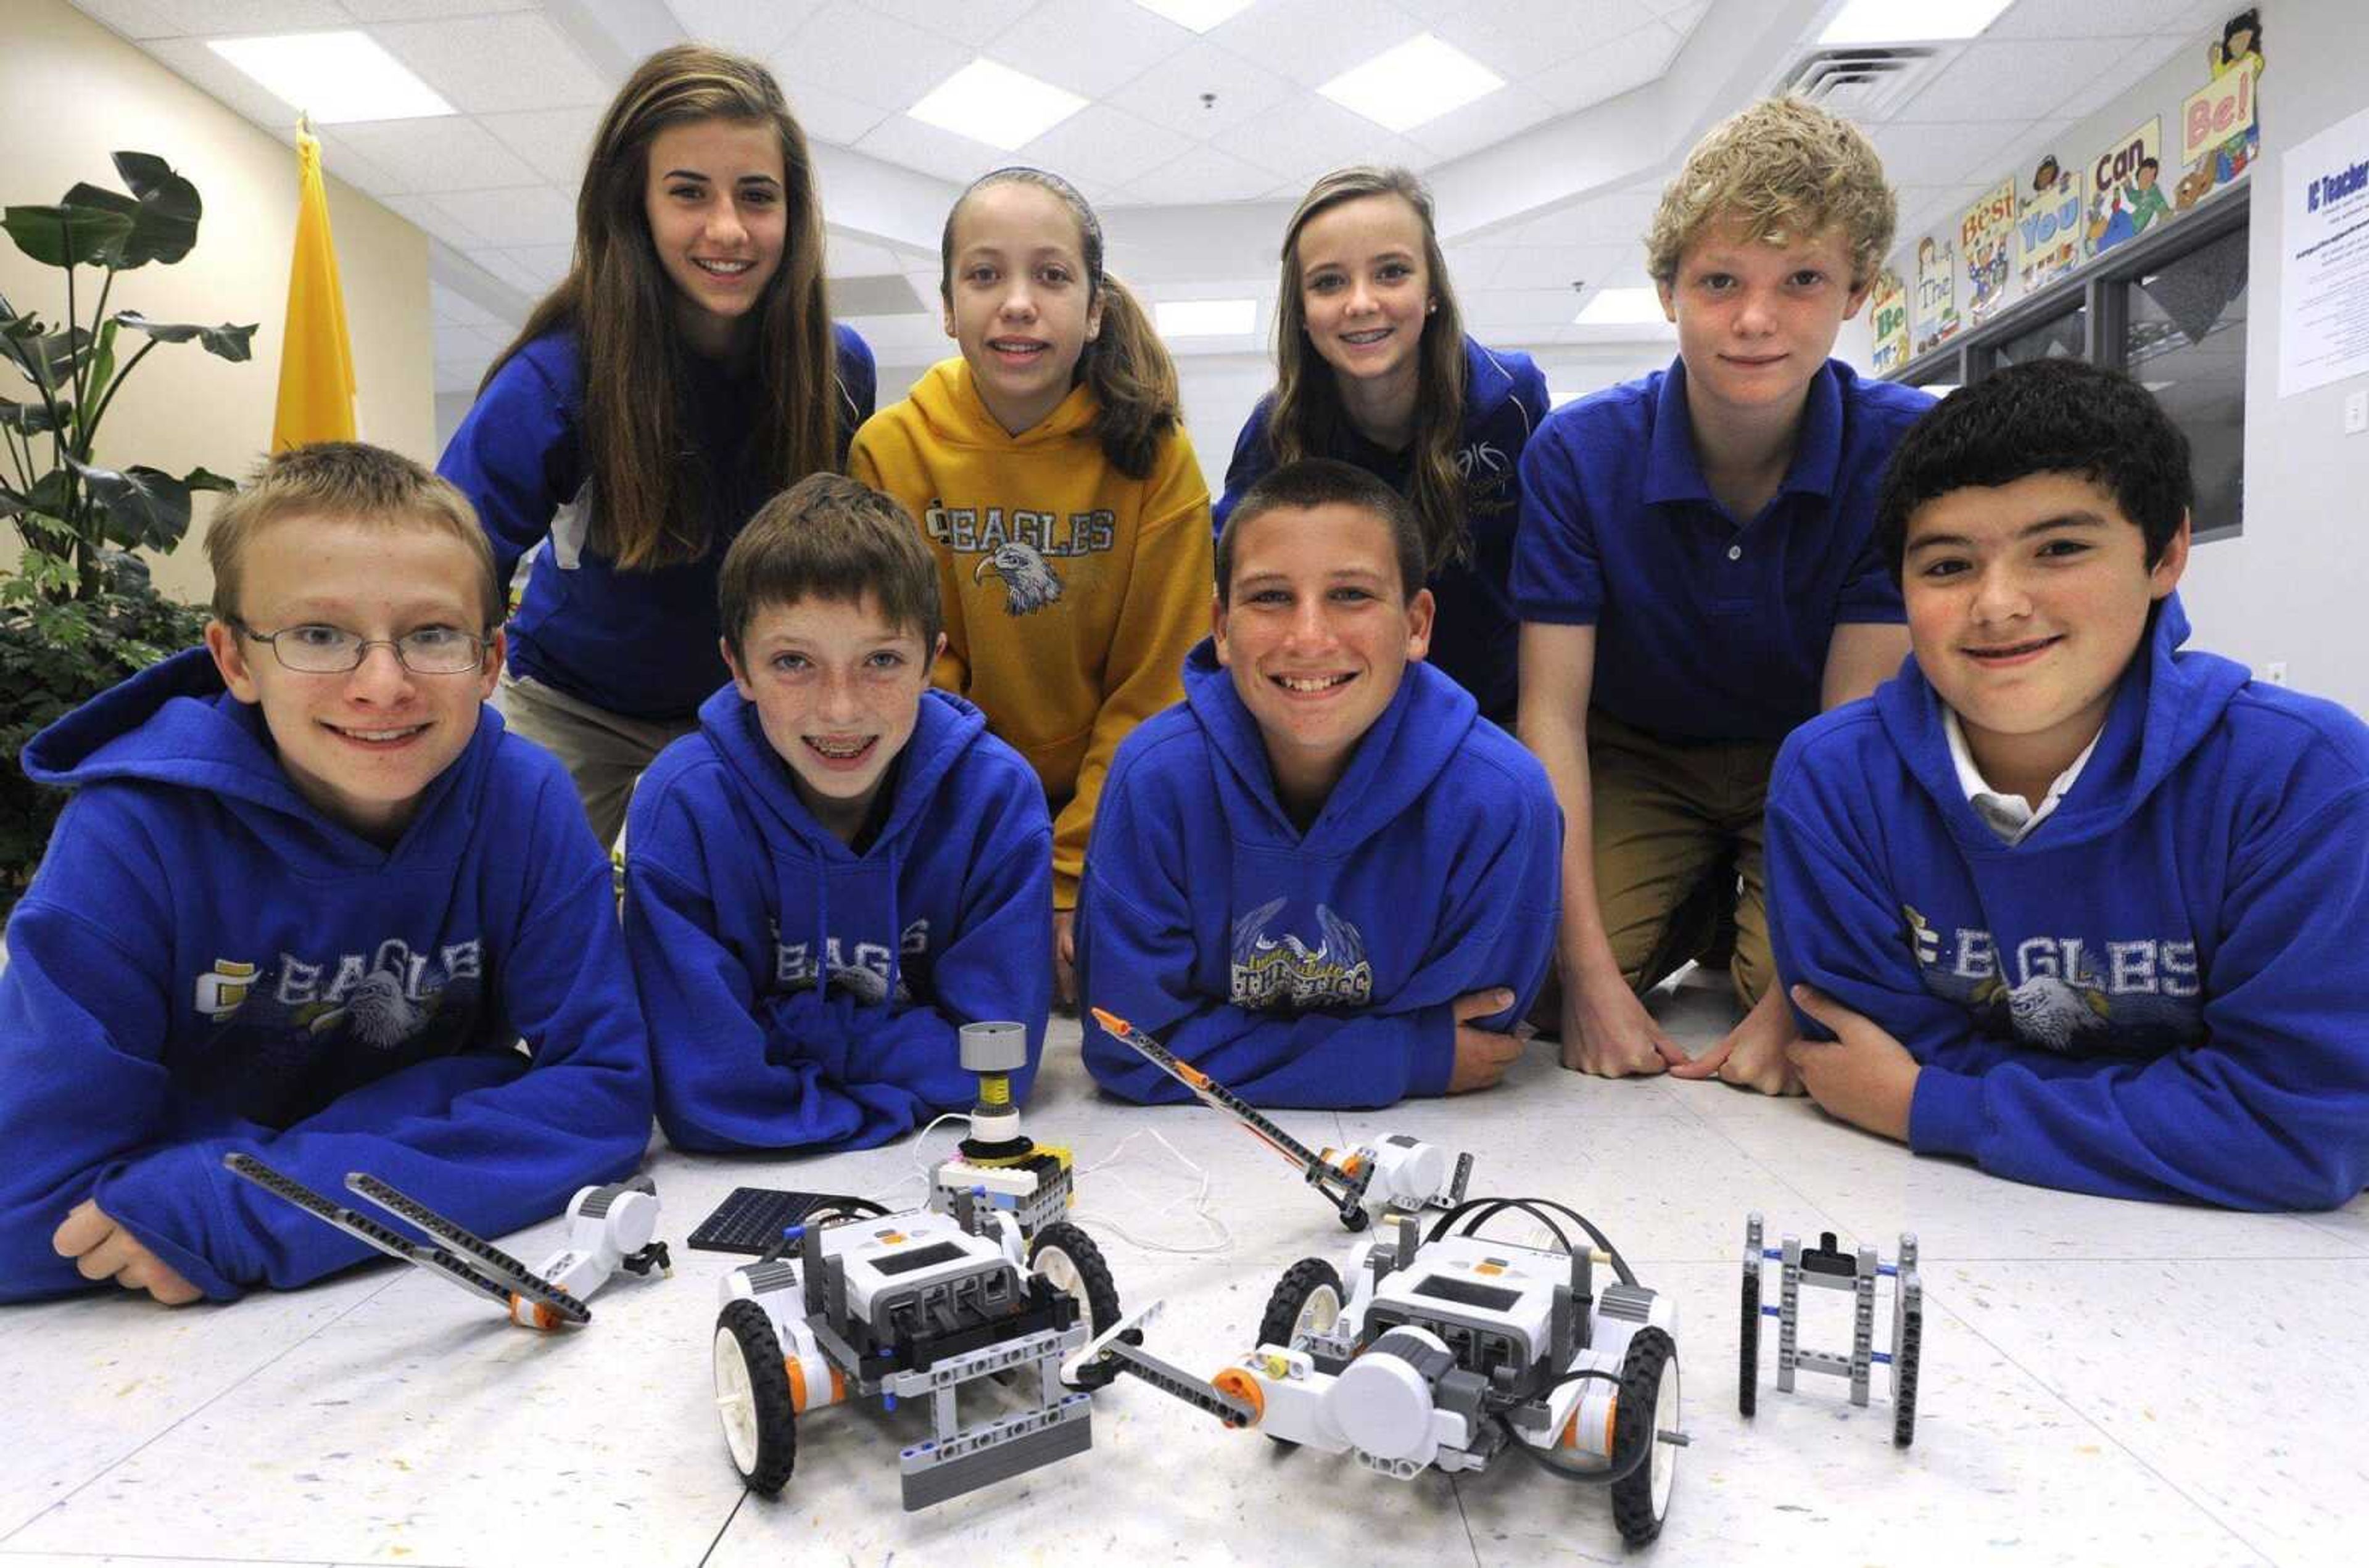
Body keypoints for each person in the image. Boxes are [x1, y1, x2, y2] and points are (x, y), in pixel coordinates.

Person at [0, 444, 654, 1305]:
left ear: (491, 661)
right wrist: (471, 1091)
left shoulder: (524, 801)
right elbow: (29, 1210)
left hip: (400, 1309)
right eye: (317, 635)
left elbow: (605, 1092)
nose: (381, 686)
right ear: (235, 660)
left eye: (430, 635)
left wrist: (250, 1200)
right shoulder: (132, 835)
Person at [1766, 360, 2369, 1210]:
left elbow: (2297, 1126)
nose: (1999, 603)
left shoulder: (2304, 777)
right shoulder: (1833, 781)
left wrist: (1934, 1102)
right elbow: (1858, 1047)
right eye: (1946, 565)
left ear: (2166, 555)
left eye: (2060, 549)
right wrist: (2185, 1105)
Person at [1514, 96, 1934, 1095]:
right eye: (1719, 281)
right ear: (1668, 291)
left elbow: (1855, 735)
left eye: (1801, 281)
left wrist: (1792, 993)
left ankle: (1737, 918)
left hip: (1807, 757)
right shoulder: (1579, 455)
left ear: (1858, 290)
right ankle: (1693, 890)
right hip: (1639, 751)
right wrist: (1586, 976)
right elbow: (1552, 718)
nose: (1755, 319)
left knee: (1841, 987)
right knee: (1536, 989)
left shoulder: (1902, 450)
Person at [439, 44, 876, 848]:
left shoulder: (838, 368)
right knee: (524, 909)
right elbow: (445, 565)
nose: (728, 228)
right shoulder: (557, 377)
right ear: (634, 205)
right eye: (688, 193)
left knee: (748, 927)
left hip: (747, 706)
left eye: (756, 196)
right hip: (572, 700)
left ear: (793, 210)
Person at [1077, 459, 1558, 1108]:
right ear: (1221, 627)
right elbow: (1130, 1047)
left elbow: (1480, 1036)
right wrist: (1401, 1053)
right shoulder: (1153, 780)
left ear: (1417, 625)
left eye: (1351, 595)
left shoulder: (1501, 800)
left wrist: (1216, 1039)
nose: (1309, 638)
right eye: (1271, 597)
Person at [851, 167, 1211, 1005]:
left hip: (1121, 798)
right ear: (946, 306)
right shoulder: (892, 450)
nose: (1017, 302)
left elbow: (1157, 687)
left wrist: (1073, 874)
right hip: (950, 793)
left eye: (1051, 276)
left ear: (1093, 310)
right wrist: (1012, 863)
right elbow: (911, 676)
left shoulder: (1158, 458)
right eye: (985, 275)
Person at [624, 474, 1053, 1153]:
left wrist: (778, 1027)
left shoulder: (995, 799)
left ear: (930, 664)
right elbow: (705, 1095)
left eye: (881, 660)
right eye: (794, 662)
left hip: (931, 1167)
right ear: (738, 666)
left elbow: (996, 1072)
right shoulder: (683, 808)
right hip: (749, 1183)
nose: (841, 710)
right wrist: (899, 1081)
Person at [1215, 166, 1549, 724]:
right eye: (1329, 283)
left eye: (1391, 272)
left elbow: (1553, 582)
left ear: (1433, 289)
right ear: (1301, 312)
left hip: (1498, 712)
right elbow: (1236, 599)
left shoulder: (1511, 399)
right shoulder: (1276, 433)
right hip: (1345, 721)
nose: (1362, 303)